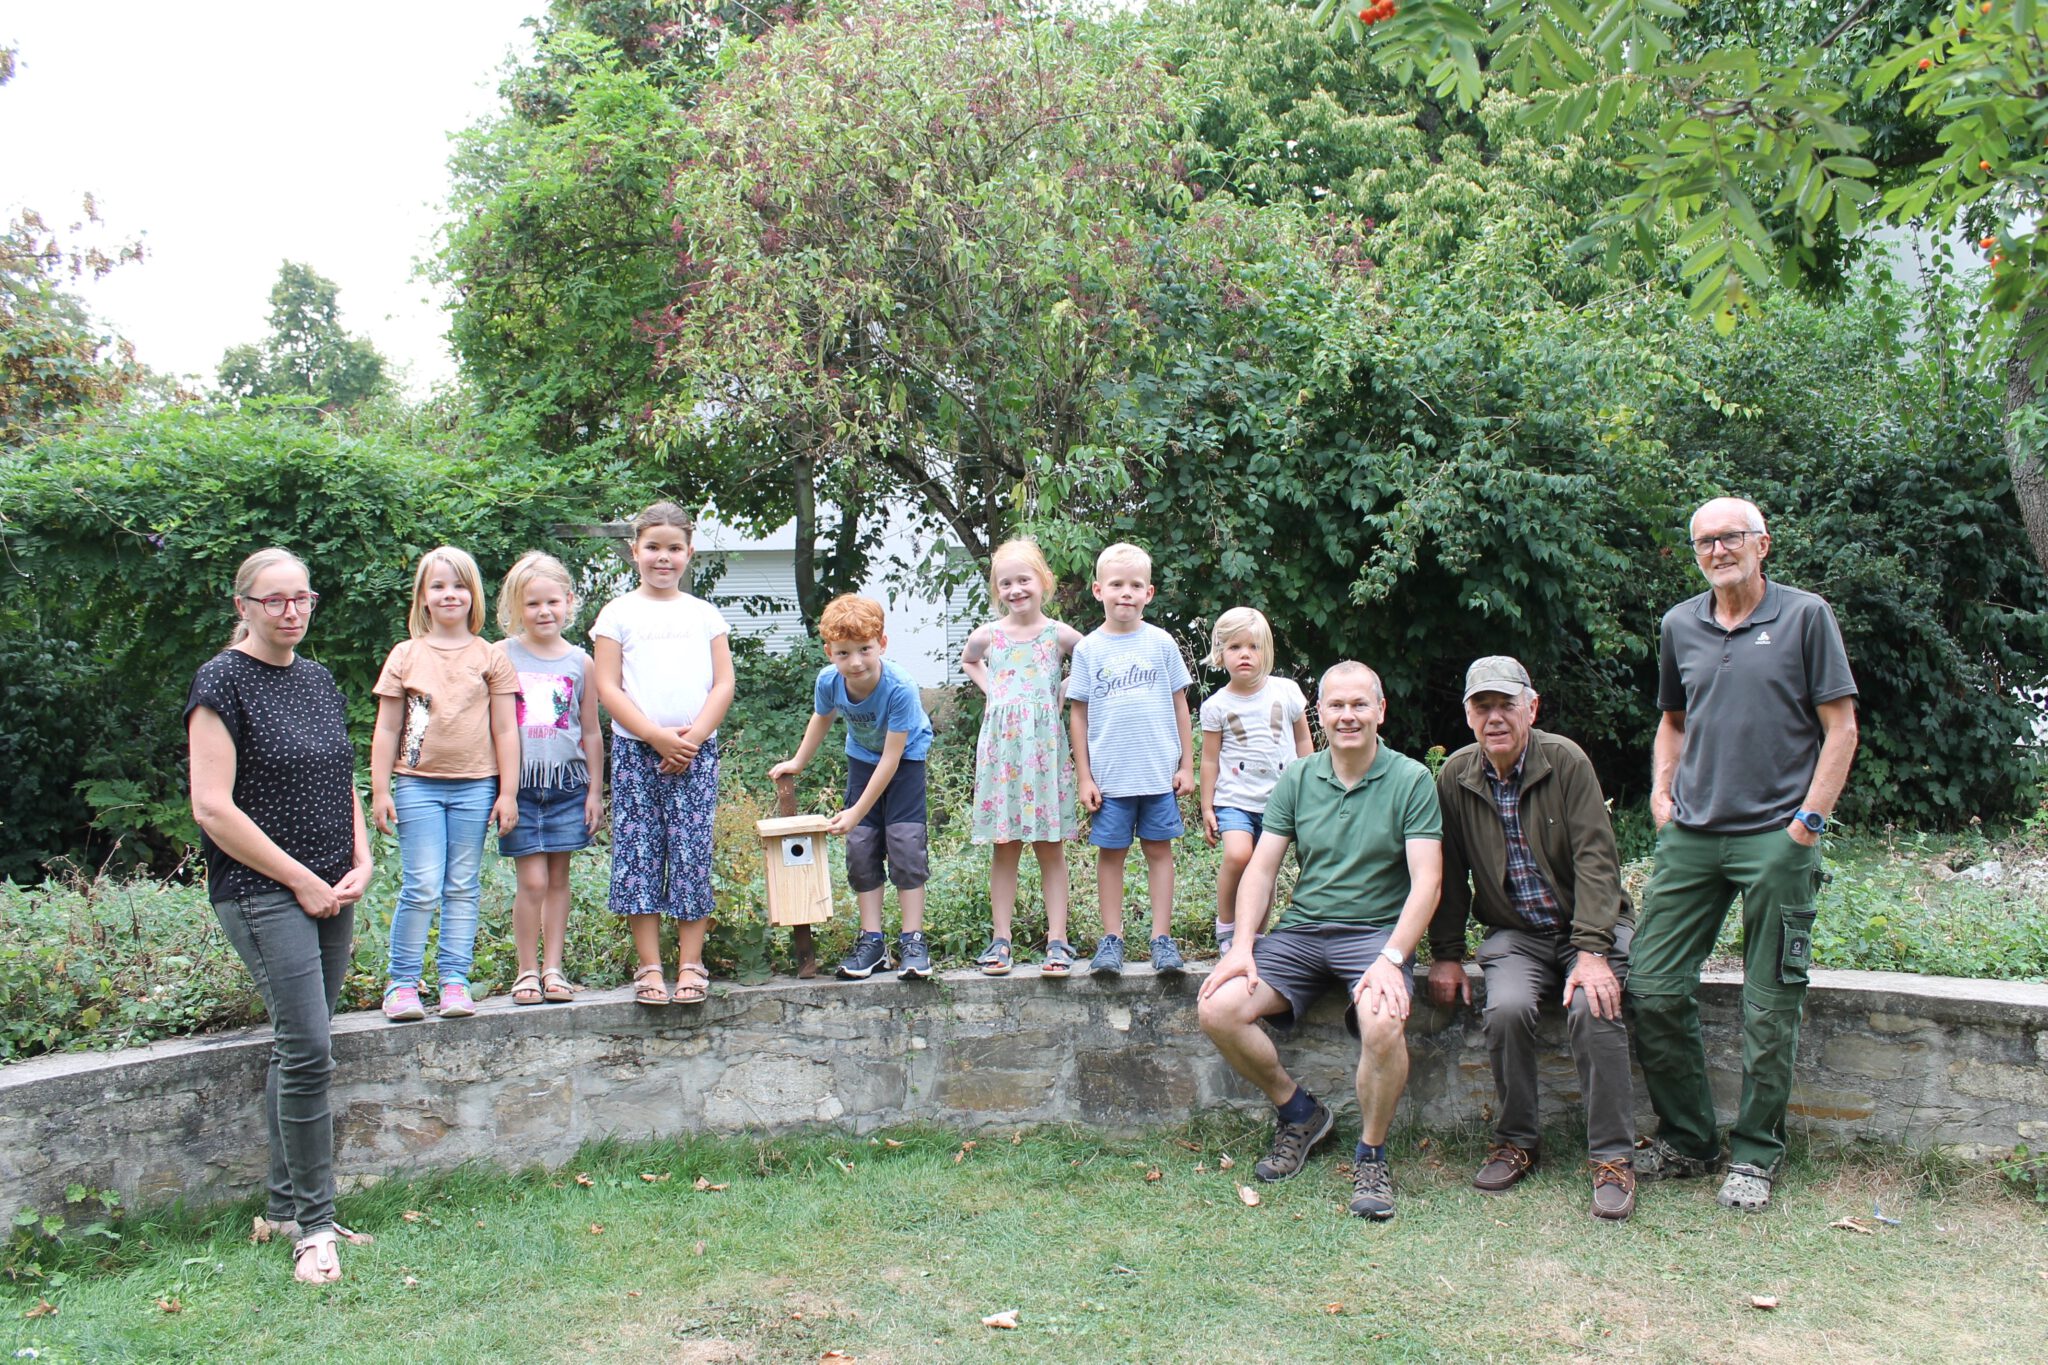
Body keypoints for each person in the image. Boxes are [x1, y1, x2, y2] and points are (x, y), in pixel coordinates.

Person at [1629, 497, 1859, 1213]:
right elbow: (1672, 720)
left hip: (1776, 838)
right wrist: (1662, 795)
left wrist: (1808, 823)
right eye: (1704, 540)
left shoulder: (1804, 616)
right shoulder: (1679, 624)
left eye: (1730, 537)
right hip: (1693, 834)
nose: (1718, 549)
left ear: (1763, 542)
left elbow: (1841, 726)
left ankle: (1756, 1153)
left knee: (1770, 1002)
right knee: (1653, 985)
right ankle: (1691, 1138)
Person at [187, 548, 375, 1283]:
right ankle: (316, 1228)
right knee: (308, 1049)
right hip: (263, 891)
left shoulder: (317, 678)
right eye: (275, 600)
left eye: (302, 598)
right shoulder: (221, 683)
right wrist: (300, 879)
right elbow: (212, 806)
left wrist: (360, 858)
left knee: (301, 1045)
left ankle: (282, 1207)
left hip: (333, 887)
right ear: (243, 606)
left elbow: (341, 775)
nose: (291, 611)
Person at [1198, 662, 1442, 1221]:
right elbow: (1260, 870)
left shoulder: (1410, 780)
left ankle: (1372, 1156)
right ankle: (1300, 1113)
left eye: (1360, 705)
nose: (1348, 716)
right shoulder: (1300, 777)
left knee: (1383, 1021)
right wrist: (1241, 946)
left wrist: (1392, 957)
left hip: (1375, 935)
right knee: (1218, 1008)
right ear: (1320, 713)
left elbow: (1428, 881)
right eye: (1336, 705)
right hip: (1303, 933)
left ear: (1381, 711)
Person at [1427, 656, 1638, 1220]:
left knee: (1595, 1005)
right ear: (1468, 715)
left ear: (1532, 707)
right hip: (1516, 934)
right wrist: (1445, 955)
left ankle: (1613, 1159)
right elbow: (1447, 872)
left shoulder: (1565, 761)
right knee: (1507, 1009)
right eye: (1482, 706)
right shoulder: (1456, 775)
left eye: (1506, 705)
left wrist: (1593, 951)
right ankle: (1517, 1141)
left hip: (1587, 928)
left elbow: (1598, 860)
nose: (1494, 717)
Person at [591, 502, 736, 1006]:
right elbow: (608, 687)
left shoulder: (703, 614)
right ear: (635, 551)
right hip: (637, 753)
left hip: (696, 753)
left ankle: (690, 964)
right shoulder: (617, 614)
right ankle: (650, 966)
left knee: (691, 854)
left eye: (674, 548)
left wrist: (690, 739)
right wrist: (655, 736)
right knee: (639, 856)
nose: (663, 558)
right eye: (652, 547)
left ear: (689, 553)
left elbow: (723, 684)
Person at [369, 545, 520, 1022]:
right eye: (438, 586)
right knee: (421, 886)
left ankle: (455, 981)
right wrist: (379, 790)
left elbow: (504, 728)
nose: (449, 594)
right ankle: (402, 984)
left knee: (462, 885)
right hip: (417, 786)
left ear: (473, 596)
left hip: (477, 786)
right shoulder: (405, 655)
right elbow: (388, 728)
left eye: (458, 586)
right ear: (423, 597)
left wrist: (508, 792)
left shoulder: (489, 655)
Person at [771, 594, 937, 981]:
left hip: (905, 759)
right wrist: (797, 761)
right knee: (861, 846)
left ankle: (913, 939)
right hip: (862, 758)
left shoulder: (900, 688)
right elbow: (821, 718)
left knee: (905, 844)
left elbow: (892, 759)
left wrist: (856, 811)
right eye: (844, 653)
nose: (856, 662)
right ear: (829, 651)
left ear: (882, 643)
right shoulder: (829, 682)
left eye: (865, 649)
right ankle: (872, 941)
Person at [1066, 542, 1194, 976]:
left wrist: (1187, 765)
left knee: (1159, 852)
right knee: (1112, 855)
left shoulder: (1161, 644)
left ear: (1149, 593)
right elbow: (1078, 715)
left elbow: (1181, 707)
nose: (1126, 593)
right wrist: (1085, 777)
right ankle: (1111, 940)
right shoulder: (1089, 649)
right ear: (1098, 590)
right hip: (1111, 778)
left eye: (1135, 585)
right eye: (1117, 584)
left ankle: (1162, 940)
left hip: (1158, 776)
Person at [961, 539, 1083, 976]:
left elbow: (1091, 662)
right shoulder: (988, 636)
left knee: (1050, 847)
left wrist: (1064, 692)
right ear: (997, 590)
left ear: (1043, 582)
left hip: (1045, 753)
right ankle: (1001, 940)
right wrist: (993, 689)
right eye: (1006, 583)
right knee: (1005, 847)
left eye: (1023, 580)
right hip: (1003, 755)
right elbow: (969, 661)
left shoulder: (1059, 635)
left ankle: (1058, 941)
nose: (1016, 589)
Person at [494, 551, 604, 1006]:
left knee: (558, 880)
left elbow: (592, 730)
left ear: (568, 602)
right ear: (517, 607)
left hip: (567, 785)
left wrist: (595, 790)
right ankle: (526, 971)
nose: (543, 612)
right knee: (532, 882)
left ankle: (554, 969)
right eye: (533, 603)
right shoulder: (501, 655)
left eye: (552, 602)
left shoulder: (581, 661)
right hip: (520, 788)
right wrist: (503, 792)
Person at [1198, 607, 1311, 957]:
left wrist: (1311, 786)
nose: (1245, 654)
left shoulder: (1287, 691)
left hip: (1282, 799)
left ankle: (1254, 935)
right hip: (1234, 800)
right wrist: (1206, 806)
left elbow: (1304, 742)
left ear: (1266, 650)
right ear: (1220, 654)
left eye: (1253, 647)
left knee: (1266, 866)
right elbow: (1210, 759)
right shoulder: (1216, 705)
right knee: (1238, 854)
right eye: (1234, 647)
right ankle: (1227, 924)